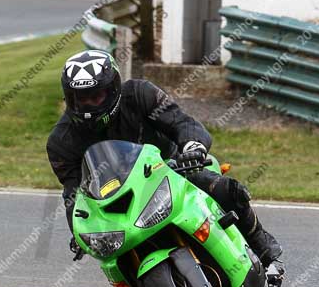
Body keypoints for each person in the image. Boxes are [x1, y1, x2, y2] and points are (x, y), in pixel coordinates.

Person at [46, 49, 282, 266]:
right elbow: (75, 194)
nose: (88, 105)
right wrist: (78, 230)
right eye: (81, 98)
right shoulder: (61, 142)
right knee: (110, 253)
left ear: (113, 89)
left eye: (95, 97)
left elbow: (181, 122)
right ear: (70, 98)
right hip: (119, 199)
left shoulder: (140, 94)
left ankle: (260, 244)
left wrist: (193, 148)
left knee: (225, 189)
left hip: (171, 171)